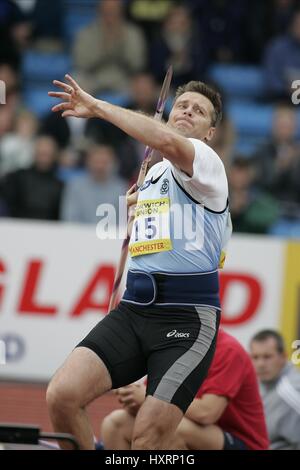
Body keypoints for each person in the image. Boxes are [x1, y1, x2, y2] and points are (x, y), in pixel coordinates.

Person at [46, 72, 231, 450]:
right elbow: (154, 223)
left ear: (210, 132)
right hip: (134, 311)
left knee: (146, 441)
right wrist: (134, 205)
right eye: (183, 105)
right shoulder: (158, 171)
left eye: (199, 112)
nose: (188, 112)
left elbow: (163, 139)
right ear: (170, 111)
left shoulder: (207, 161)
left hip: (186, 319)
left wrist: (97, 107)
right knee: (62, 396)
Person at [101, 329, 269, 450]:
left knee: (169, 428)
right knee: (115, 423)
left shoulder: (228, 350)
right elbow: (149, 403)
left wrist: (145, 396)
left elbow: (207, 413)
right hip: (199, 432)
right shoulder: (172, 346)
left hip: (243, 443)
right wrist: (130, 396)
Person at [250, 329, 300, 450]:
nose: (261, 364)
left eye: (267, 357)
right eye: (255, 357)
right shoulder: (255, 384)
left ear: (283, 357)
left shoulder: (292, 391)